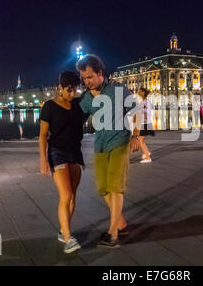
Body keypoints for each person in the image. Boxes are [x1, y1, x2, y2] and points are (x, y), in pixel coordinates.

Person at [78, 54, 140, 248]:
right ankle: (121, 223)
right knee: (103, 188)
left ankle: (112, 233)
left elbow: (136, 110)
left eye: (90, 77)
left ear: (100, 73)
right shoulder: (87, 98)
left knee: (115, 187)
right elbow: (76, 117)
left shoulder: (117, 89)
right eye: (84, 78)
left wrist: (136, 135)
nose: (87, 81)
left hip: (120, 141)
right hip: (100, 144)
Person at [39, 71, 87, 254]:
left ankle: (63, 230)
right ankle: (68, 238)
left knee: (73, 197)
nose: (72, 93)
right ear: (60, 87)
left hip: (75, 152)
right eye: (69, 90)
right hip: (57, 152)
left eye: (75, 89)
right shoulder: (49, 107)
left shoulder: (77, 105)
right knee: (65, 195)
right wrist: (43, 159)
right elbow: (43, 135)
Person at [137, 88, 155, 163]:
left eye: (140, 92)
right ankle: (146, 153)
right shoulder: (146, 102)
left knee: (140, 141)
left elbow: (144, 113)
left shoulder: (144, 102)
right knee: (141, 140)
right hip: (146, 123)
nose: (138, 93)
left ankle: (147, 157)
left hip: (144, 123)